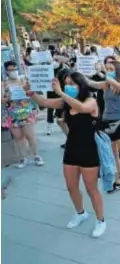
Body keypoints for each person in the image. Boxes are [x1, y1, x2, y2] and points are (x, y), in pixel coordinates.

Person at [24, 71, 106, 238]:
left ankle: (100, 220)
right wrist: (30, 92)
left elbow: (82, 108)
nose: (68, 86)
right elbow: (44, 102)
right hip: (72, 149)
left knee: (92, 189)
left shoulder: (91, 100)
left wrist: (61, 92)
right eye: (66, 83)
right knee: (71, 186)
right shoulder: (66, 102)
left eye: (71, 84)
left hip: (89, 150)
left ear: (81, 85)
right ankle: (80, 213)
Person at [87, 61, 120, 198]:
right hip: (106, 123)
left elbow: (119, 86)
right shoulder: (105, 85)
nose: (108, 71)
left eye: (111, 69)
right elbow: (92, 84)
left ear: (118, 72)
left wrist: (106, 76)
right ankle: (118, 180)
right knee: (113, 155)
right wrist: (79, 76)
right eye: (107, 69)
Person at [2, 61, 44, 168]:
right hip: (13, 114)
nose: (13, 72)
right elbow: (2, 99)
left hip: (26, 112)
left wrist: (35, 106)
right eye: (10, 70)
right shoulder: (4, 84)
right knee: (18, 137)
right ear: (6, 71)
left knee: (30, 135)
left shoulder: (24, 80)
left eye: (15, 69)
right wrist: (8, 98)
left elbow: (33, 92)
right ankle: (23, 158)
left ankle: (36, 156)